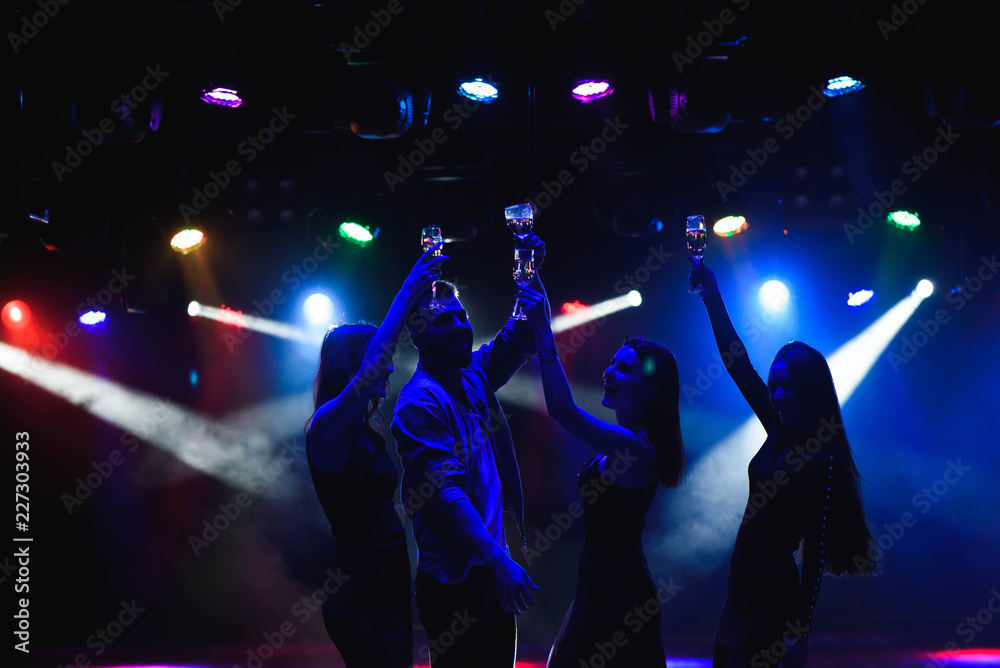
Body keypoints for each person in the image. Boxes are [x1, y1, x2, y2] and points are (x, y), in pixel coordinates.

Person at [688, 262, 879, 668]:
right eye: (774, 386)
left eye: (788, 387)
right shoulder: (777, 430)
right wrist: (712, 298)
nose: (776, 395)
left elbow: (814, 551)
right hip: (737, 590)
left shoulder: (821, 462)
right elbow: (738, 365)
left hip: (771, 597)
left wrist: (799, 631)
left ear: (809, 392)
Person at [390, 233, 546, 668]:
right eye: (445, 323)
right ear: (418, 339)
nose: (460, 327)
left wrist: (532, 270)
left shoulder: (473, 372)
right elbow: (446, 493)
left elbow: (520, 333)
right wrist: (499, 560)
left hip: (487, 566)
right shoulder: (419, 402)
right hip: (458, 578)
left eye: (462, 317)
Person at [515, 285, 687, 667]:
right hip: (595, 593)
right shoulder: (618, 445)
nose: (608, 371)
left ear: (648, 390)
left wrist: (545, 332)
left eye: (623, 368)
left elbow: (561, 409)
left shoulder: (635, 448)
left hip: (623, 603)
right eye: (611, 362)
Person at [305, 242, 447, 668]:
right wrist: (407, 293)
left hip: (390, 585)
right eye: (377, 358)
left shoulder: (365, 431)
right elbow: (370, 374)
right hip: (357, 595)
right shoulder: (324, 427)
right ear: (353, 366)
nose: (389, 366)